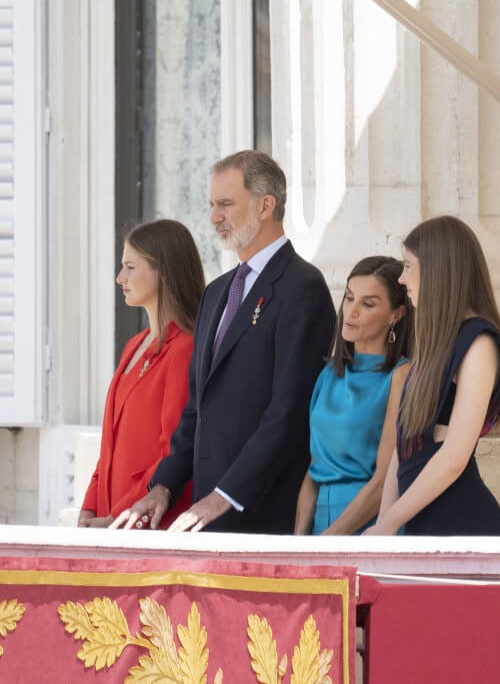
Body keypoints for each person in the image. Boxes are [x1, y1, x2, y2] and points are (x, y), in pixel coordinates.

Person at [113, 150, 336, 533]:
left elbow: (289, 413)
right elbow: (196, 410)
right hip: (205, 514)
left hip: (264, 517)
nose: (214, 217)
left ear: (266, 205)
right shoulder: (216, 293)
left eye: (226, 204)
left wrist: (225, 496)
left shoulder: (303, 288)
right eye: (212, 204)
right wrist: (163, 486)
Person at [365, 215, 500, 536]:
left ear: (437, 270)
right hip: (425, 525)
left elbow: (453, 457)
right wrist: (384, 524)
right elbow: (403, 445)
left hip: (462, 525)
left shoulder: (479, 342)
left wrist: (389, 524)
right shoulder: (437, 345)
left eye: (408, 266)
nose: (402, 279)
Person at [78, 219, 205, 529]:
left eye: (130, 268)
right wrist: (89, 509)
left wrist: (117, 516)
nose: (120, 278)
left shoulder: (185, 348)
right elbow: (108, 448)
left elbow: (172, 452)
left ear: (163, 271)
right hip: (109, 523)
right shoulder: (134, 345)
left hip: (148, 523)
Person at [294, 256, 413, 536]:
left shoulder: (402, 375)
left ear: (396, 314)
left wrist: (329, 542)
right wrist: (299, 543)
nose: (351, 311)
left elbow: (383, 482)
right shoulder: (329, 374)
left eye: (368, 304)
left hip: (367, 527)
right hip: (320, 527)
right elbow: (314, 471)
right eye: (349, 298)